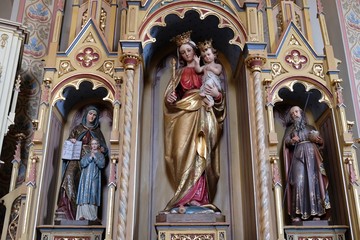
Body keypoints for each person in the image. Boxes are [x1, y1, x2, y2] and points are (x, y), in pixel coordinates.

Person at [163, 31, 226, 213]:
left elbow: (219, 100)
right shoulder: (179, 72)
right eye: (182, 52)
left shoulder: (206, 68)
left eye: (188, 50)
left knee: (202, 152)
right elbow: (170, 100)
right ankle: (183, 197)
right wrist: (170, 97)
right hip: (184, 113)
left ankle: (199, 197)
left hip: (203, 111)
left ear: (194, 50)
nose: (186, 54)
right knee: (180, 152)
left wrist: (217, 96)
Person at [56, 106, 108, 220]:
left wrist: (102, 149)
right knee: (68, 176)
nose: (92, 117)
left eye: (94, 115)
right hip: (76, 158)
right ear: (86, 115)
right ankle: (65, 208)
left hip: (90, 162)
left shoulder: (97, 132)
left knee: (88, 185)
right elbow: (68, 143)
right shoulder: (78, 129)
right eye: (90, 114)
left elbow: (103, 148)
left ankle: (86, 213)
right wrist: (72, 141)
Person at [283, 106, 330, 222]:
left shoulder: (310, 127)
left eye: (296, 111)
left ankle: (316, 213)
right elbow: (285, 142)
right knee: (298, 182)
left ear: (301, 113)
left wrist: (318, 140)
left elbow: (321, 142)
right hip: (297, 156)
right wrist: (292, 140)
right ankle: (297, 214)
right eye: (292, 113)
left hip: (311, 156)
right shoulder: (290, 129)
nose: (295, 114)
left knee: (313, 182)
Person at [76, 138, 105, 221]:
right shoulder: (87, 155)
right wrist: (89, 158)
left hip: (94, 177)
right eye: (92, 144)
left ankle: (92, 216)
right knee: (84, 194)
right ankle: (82, 215)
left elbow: (102, 165)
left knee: (93, 194)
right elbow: (82, 163)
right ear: (90, 145)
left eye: (95, 144)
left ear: (98, 145)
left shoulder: (100, 155)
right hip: (85, 179)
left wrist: (95, 158)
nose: (94, 145)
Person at [194, 39, 222, 108]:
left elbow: (218, 72)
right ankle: (210, 101)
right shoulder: (205, 66)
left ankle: (211, 100)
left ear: (214, 55)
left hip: (213, 83)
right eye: (204, 56)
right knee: (201, 93)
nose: (207, 57)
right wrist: (197, 63)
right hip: (205, 84)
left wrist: (211, 68)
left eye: (208, 54)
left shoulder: (217, 65)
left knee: (208, 83)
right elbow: (198, 70)